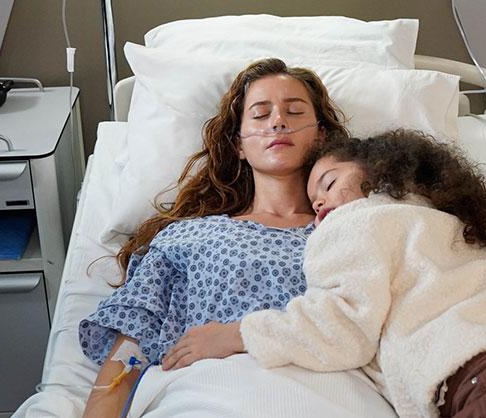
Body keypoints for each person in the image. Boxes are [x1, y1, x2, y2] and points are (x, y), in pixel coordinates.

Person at [165, 129, 486, 418]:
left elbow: (341, 327)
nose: (320, 204)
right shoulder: (467, 224)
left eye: (328, 184)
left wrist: (238, 334)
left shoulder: (358, 222)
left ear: (380, 174)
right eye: (315, 201)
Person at [78, 58, 348, 417]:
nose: (278, 121)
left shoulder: (352, 230)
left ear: (321, 135)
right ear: (239, 145)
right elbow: (132, 342)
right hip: (209, 395)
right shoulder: (188, 236)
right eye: (260, 114)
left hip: (331, 392)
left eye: (294, 112)